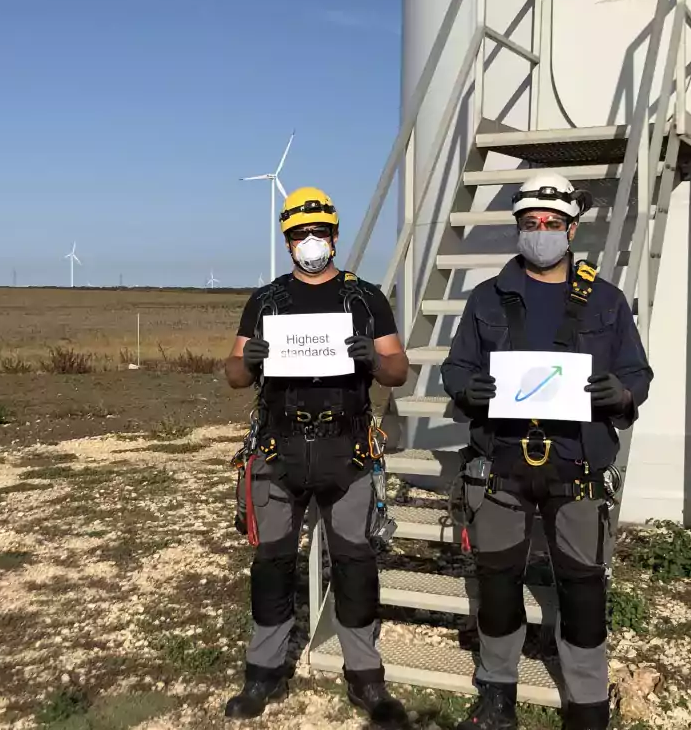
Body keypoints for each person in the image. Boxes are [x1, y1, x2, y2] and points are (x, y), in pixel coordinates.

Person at [439, 171, 653, 730]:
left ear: (572, 229)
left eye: (552, 224)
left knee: (582, 589)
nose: (541, 232)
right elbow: (456, 366)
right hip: (502, 467)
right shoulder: (486, 298)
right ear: (518, 228)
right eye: (531, 223)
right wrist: (467, 388)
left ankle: (587, 705)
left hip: (577, 468)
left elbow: (637, 371)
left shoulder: (605, 301)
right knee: (499, 584)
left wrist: (622, 392)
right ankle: (497, 694)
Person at [223, 187, 412, 727]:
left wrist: (373, 357)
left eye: (318, 233)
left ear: (335, 236)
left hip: (345, 449)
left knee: (354, 561)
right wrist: (249, 360)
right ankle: (263, 671)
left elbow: (398, 370)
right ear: (287, 242)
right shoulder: (265, 300)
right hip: (278, 451)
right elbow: (234, 374)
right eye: (299, 235)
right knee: (271, 563)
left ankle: (366, 678)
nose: (310, 242)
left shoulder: (365, 297)